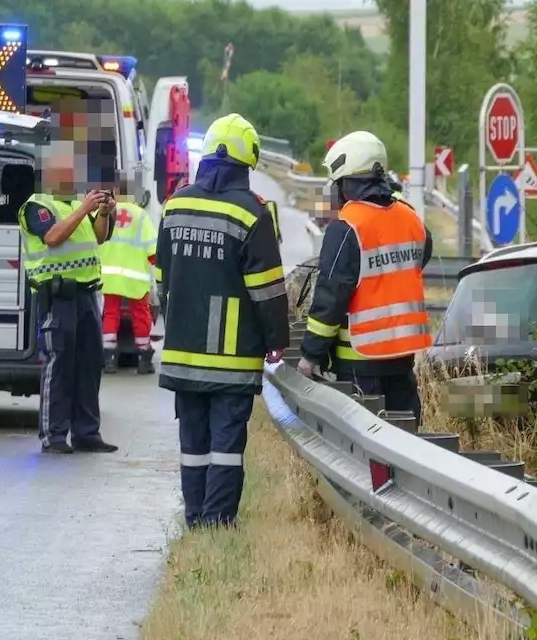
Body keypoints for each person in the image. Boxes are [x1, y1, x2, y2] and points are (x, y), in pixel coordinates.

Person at [156, 113, 289, 528]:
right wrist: (276, 339)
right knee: (226, 445)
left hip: (182, 351)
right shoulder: (252, 213)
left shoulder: (175, 205)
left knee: (192, 444)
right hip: (231, 357)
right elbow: (267, 291)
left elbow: (162, 279)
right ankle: (217, 521)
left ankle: (195, 517)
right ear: (244, 166)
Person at [296, 131, 434, 425]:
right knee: (404, 442)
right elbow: (416, 260)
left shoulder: (346, 228)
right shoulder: (411, 219)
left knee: (368, 453)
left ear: (346, 183)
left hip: (359, 364)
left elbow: (330, 300)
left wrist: (310, 356)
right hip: (402, 359)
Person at [19, 156, 118, 455]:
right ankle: (54, 435)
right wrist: (85, 209)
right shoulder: (37, 206)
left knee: (89, 365)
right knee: (59, 365)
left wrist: (102, 213)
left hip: (86, 294)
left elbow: (98, 237)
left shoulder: (77, 204)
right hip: (57, 296)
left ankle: (87, 433)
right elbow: (52, 238)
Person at [98, 188, 158, 375]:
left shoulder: (103, 211)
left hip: (109, 275)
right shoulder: (140, 215)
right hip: (136, 277)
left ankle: (109, 360)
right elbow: (153, 251)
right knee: (141, 315)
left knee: (110, 314)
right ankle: (143, 360)